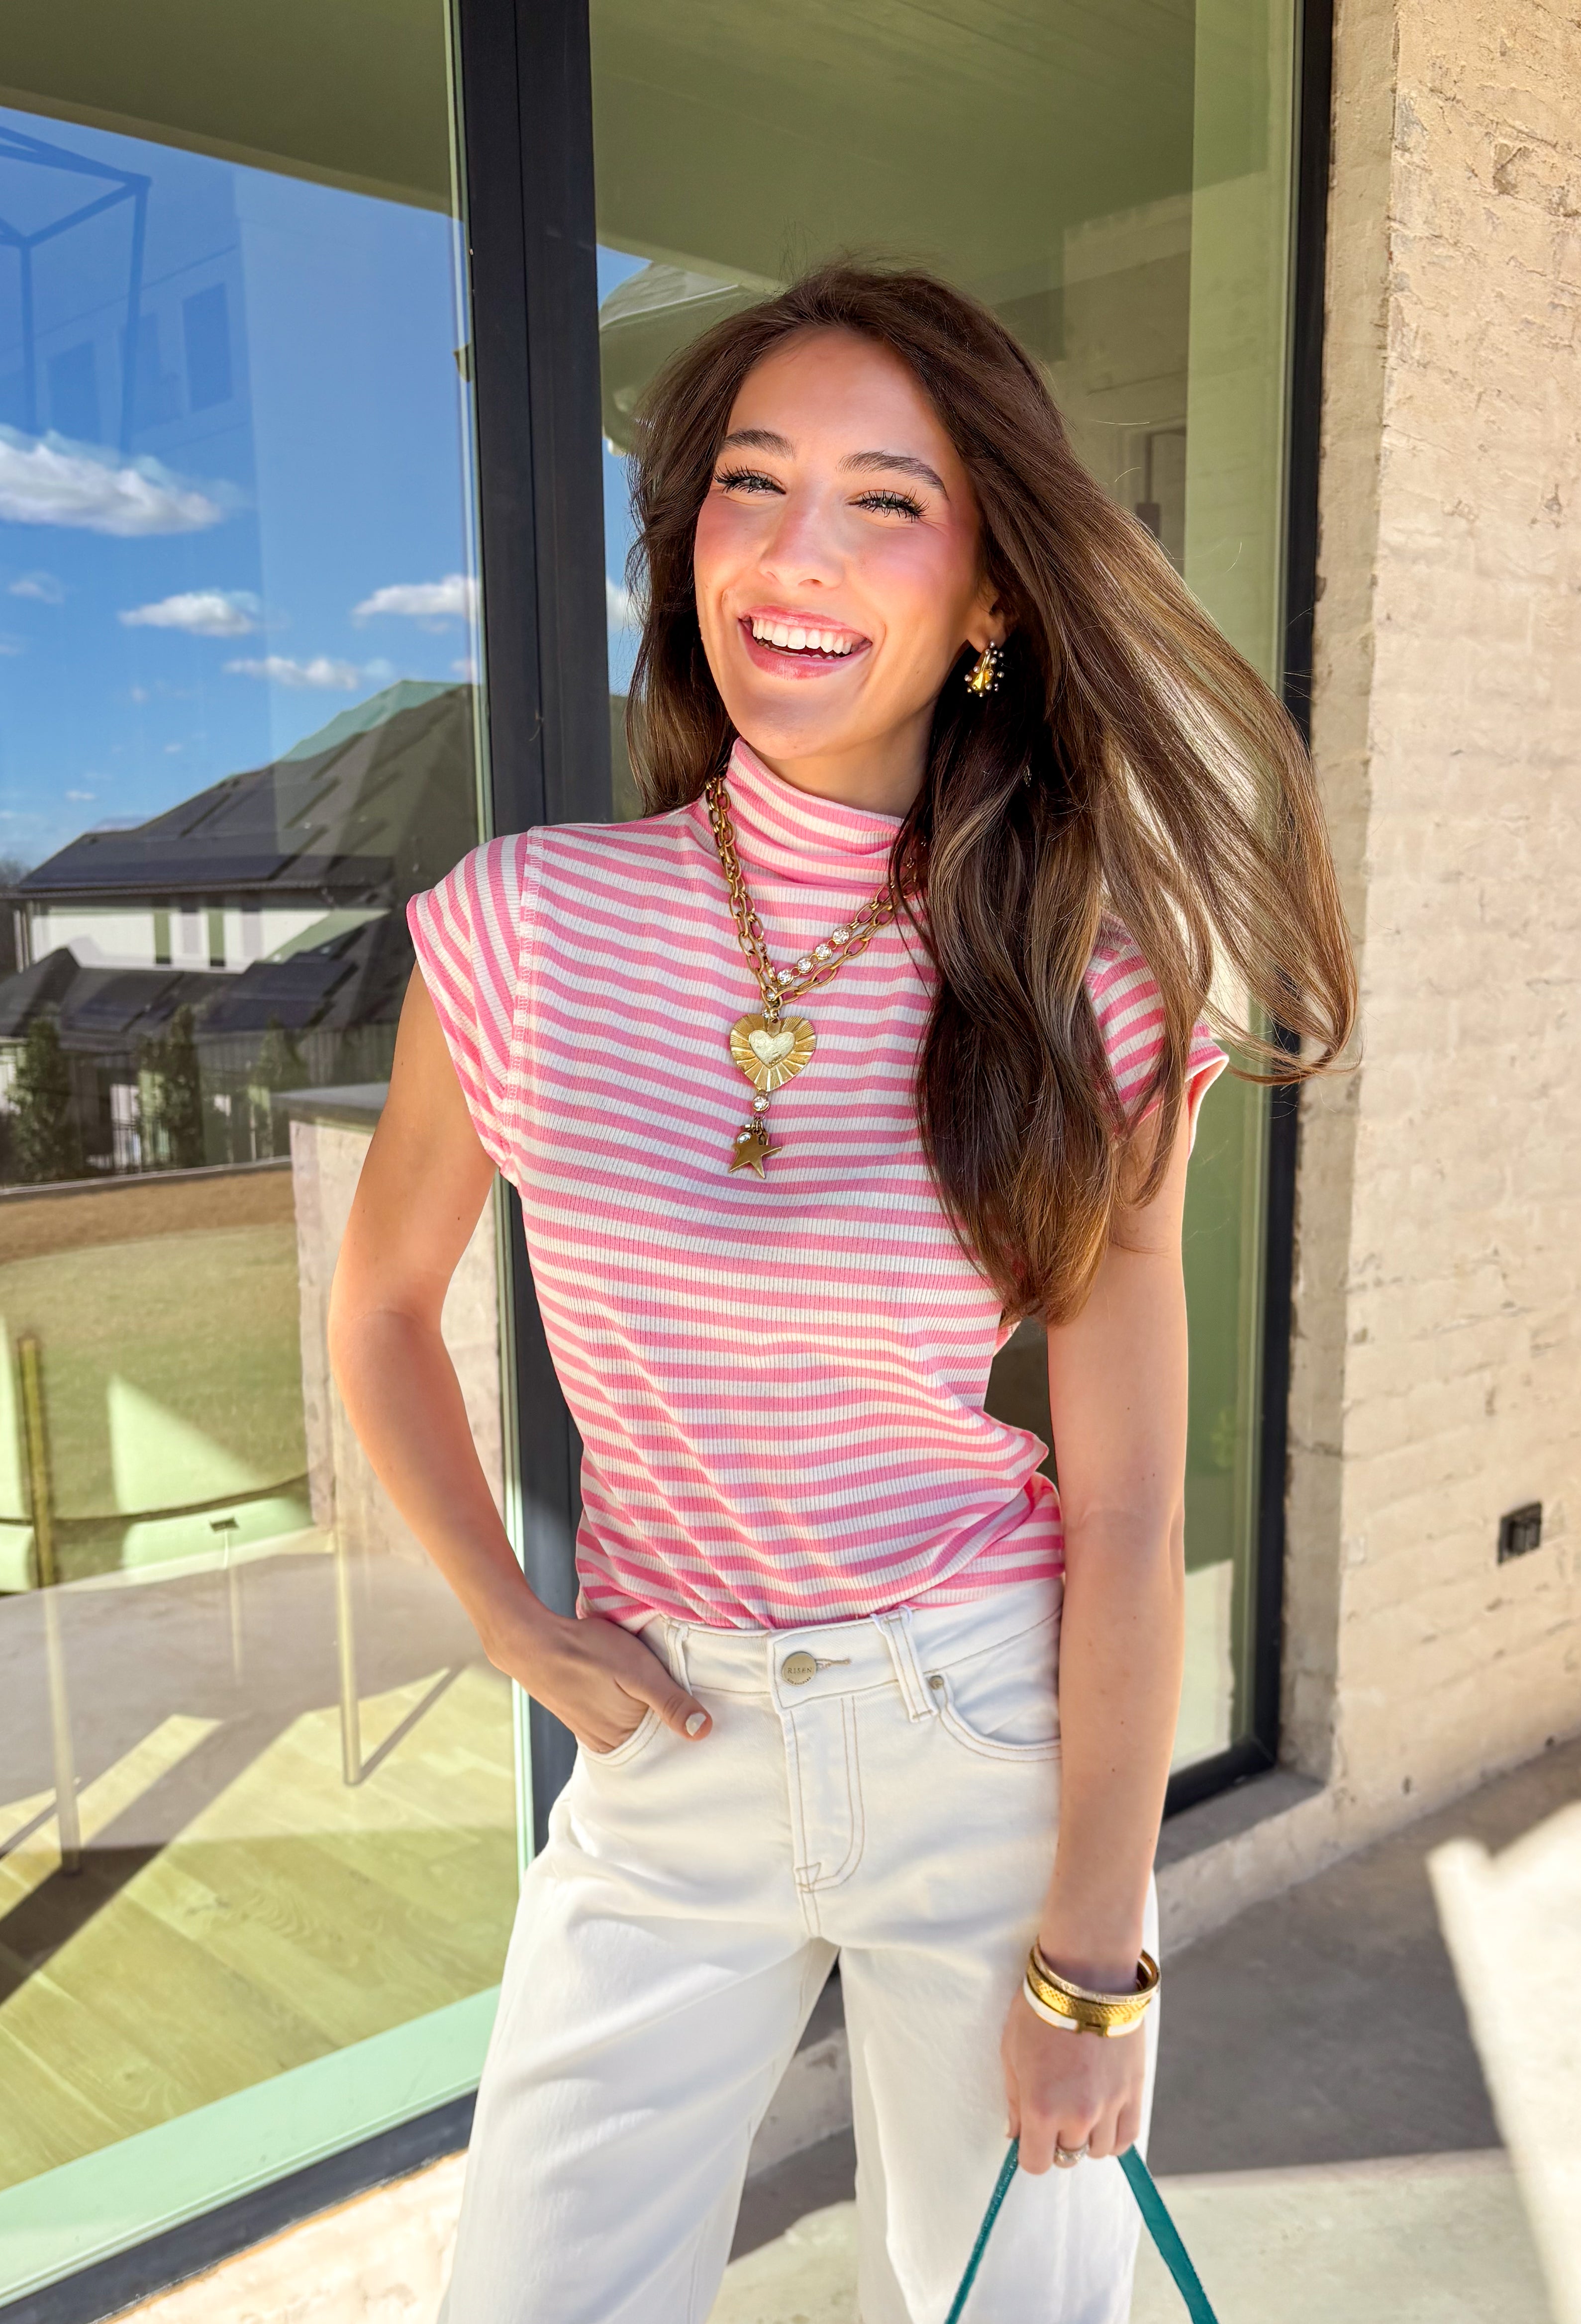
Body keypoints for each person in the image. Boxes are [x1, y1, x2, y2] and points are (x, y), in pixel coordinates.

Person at [329, 263, 1354, 2324]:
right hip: (672, 1742)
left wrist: (1094, 1950)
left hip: (983, 1724)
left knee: (1007, 2302)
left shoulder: (1088, 984)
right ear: (687, 536)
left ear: (990, 601)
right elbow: (380, 1304)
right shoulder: (528, 926)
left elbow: (1133, 1507)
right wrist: (510, 1617)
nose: (795, 554)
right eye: (750, 482)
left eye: (887, 503)